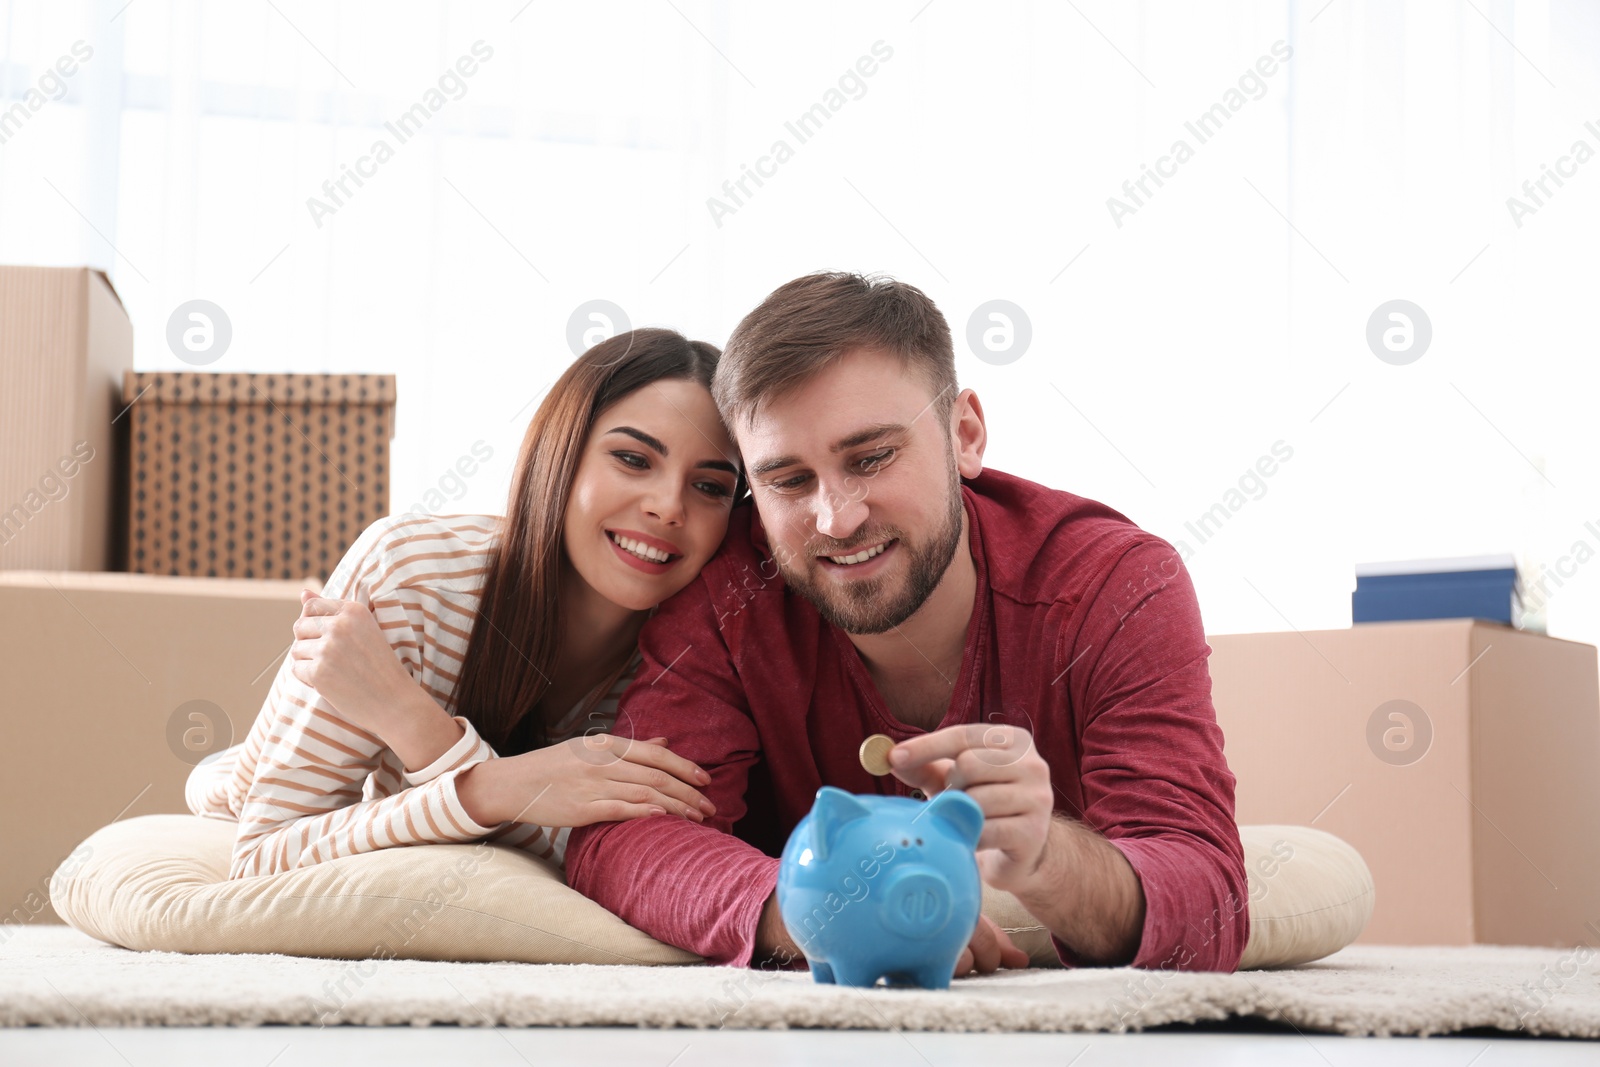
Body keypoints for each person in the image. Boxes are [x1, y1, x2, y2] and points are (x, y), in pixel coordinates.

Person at [560, 272, 1250, 976]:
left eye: (872, 458)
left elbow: (1207, 893)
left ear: (966, 436)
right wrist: (815, 911)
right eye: (788, 481)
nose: (837, 517)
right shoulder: (726, 587)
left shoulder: (1117, 583)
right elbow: (622, 832)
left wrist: (1046, 857)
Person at [185, 328, 740, 879]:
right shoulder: (410, 577)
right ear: (561, 457)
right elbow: (260, 858)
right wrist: (500, 786)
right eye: (633, 459)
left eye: (711, 487)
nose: (669, 508)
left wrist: (425, 734)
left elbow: (611, 859)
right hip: (239, 787)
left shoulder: (698, 657)